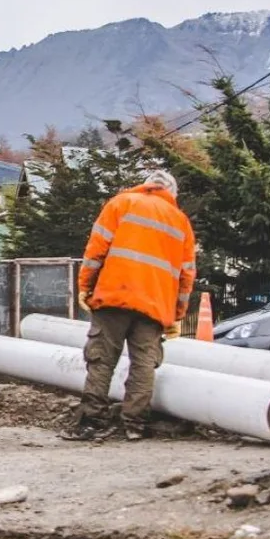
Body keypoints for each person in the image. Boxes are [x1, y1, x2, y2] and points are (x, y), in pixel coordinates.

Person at [63, 169, 196, 442]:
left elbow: (96, 250)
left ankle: (92, 421)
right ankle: (134, 425)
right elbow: (186, 275)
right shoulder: (181, 222)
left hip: (114, 297)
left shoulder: (120, 204)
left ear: (145, 186)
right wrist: (176, 316)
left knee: (101, 359)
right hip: (155, 307)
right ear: (172, 194)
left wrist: (85, 287)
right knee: (144, 364)